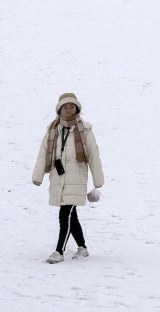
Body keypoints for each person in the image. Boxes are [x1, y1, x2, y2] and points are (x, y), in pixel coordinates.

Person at [32, 91, 104, 264]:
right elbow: (43, 154)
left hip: (76, 177)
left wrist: (98, 180)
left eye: (72, 106)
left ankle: (59, 251)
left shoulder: (85, 130)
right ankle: (82, 248)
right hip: (58, 177)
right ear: (59, 110)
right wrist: (38, 176)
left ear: (77, 108)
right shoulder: (52, 130)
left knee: (65, 213)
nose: (69, 109)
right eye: (65, 107)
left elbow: (93, 154)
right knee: (71, 215)